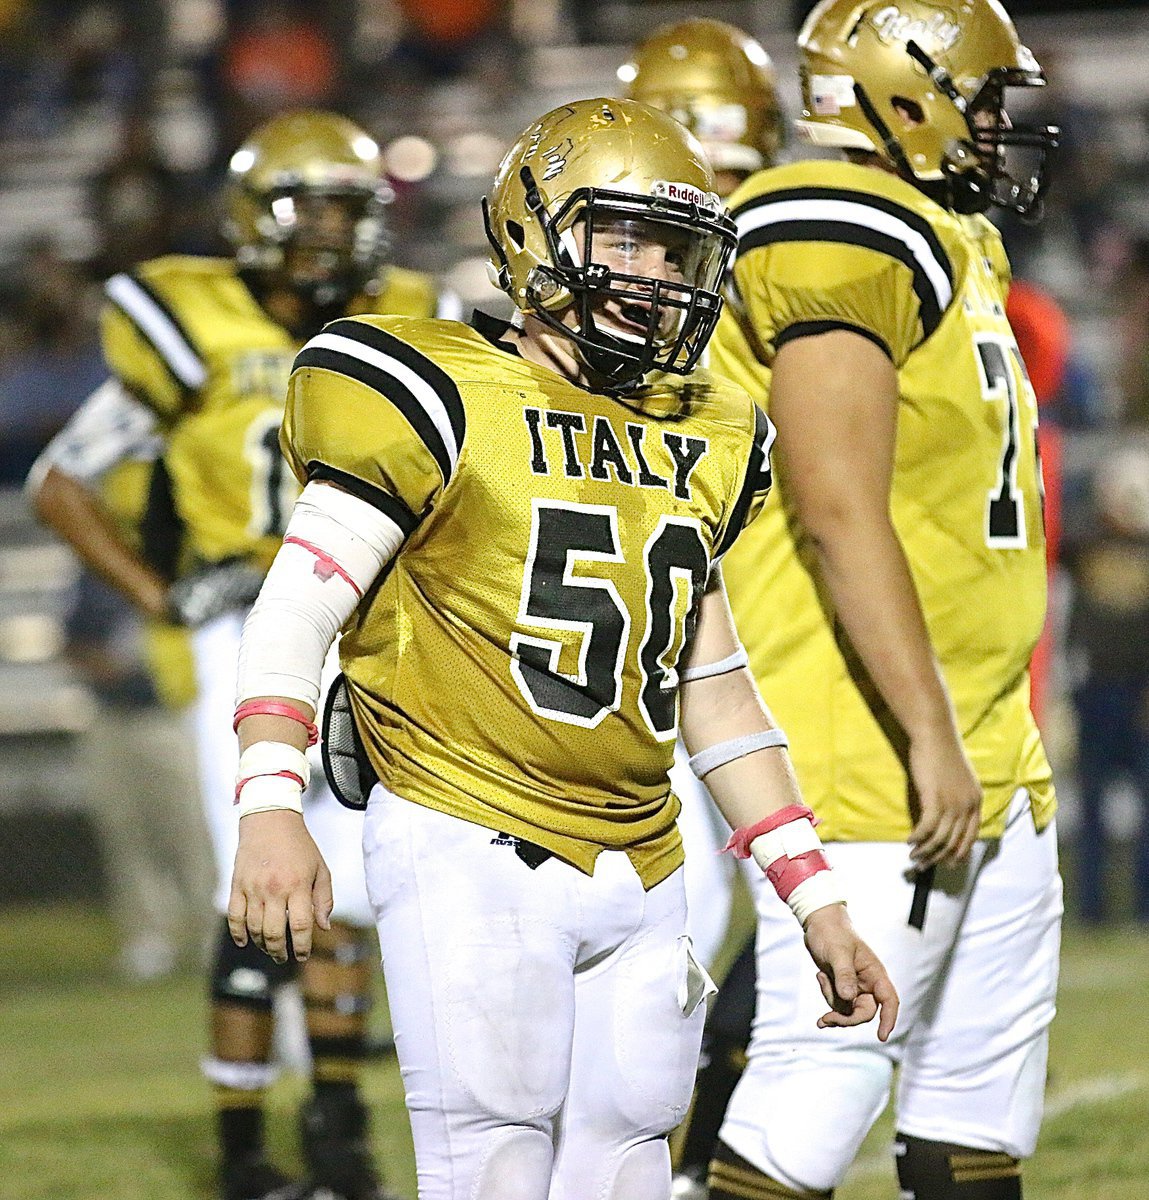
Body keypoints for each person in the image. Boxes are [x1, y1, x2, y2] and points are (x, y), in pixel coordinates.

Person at [226, 96, 898, 1200]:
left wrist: (816, 900)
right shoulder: (435, 388)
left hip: (645, 857)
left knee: (630, 1166)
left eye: (676, 248)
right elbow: (295, 610)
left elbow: (716, 691)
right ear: (535, 234)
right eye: (622, 237)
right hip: (468, 831)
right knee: (492, 1165)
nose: (652, 275)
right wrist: (268, 807)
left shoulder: (708, 431)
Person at [29, 109, 459, 1200]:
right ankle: (239, 1155)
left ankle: (338, 1130)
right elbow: (61, 483)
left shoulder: (410, 319)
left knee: (348, 902)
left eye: (345, 210)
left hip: (363, 634)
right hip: (243, 626)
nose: (325, 233)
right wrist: (161, 594)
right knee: (260, 896)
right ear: (253, 217)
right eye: (305, 207)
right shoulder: (192, 321)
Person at [697, 3, 1064, 1198]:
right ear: (902, 95)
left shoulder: (945, 234)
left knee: (976, 1122)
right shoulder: (832, 224)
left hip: (985, 730)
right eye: (983, 95)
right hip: (873, 741)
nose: (1002, 124)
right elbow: (836, 505)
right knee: (815, 1098)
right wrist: (927, 730)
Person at [1064, 438, 1149, 925]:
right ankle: (1092, 907)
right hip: (1095, 686)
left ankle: (1141, 905)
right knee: (1091, 802)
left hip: (1140, 690)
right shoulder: (1087, 536)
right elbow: (1054, 531)